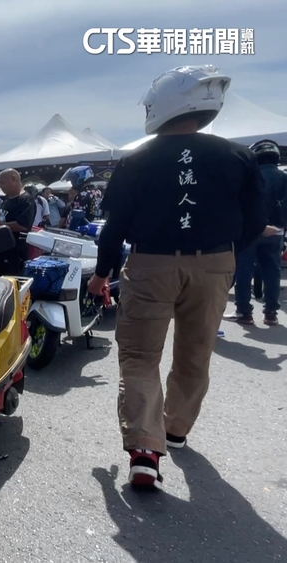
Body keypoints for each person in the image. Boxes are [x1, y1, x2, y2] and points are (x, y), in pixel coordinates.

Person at [86, 65, 266, 491]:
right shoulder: (238, 155)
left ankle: (144, 449)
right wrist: (224, 254)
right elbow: (257, 220)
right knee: (196, 351)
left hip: (150, 264)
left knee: (139, 356)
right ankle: (175, 430)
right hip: (215, 264)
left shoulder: (136, 159)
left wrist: (101, 275)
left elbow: (113, 226)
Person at [225, 139, 287, 326]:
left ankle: (244, 312)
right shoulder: (284, 177)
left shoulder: (251, 174)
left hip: (251, 230)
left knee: (244, 270)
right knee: (272, 271)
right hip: (277, 231)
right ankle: (271, 314)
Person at [0, 169, 36, 263]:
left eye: (2, 182)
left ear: (14, 179)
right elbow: (1, 218)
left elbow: (22, 225)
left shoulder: (26, 200)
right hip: (1, 250)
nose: (0, 186)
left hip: (15, 252)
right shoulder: (6, 200)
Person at [63, 166, 103, 230]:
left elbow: (76, 217)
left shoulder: (82, 195)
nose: (71, 182)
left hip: (81, 231)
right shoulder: (98, 192)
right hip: (94, 228)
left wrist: (71, 230)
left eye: (73, 179)